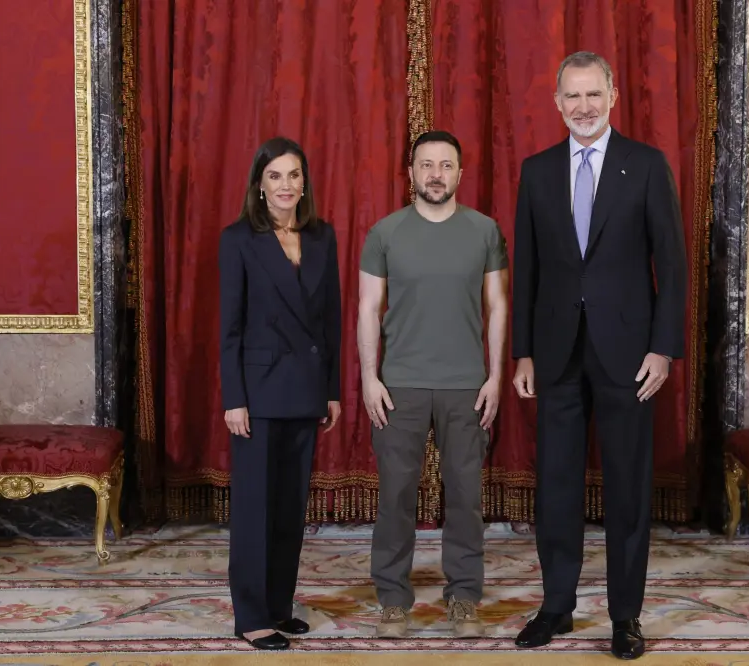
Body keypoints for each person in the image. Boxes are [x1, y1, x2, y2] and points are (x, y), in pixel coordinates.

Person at [510, 52, 687, 660]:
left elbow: (674, 266)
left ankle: (624, 617)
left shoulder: (645, 165)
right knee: (556, 488)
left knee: (627, 493)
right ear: (557, 103)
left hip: (629, 354)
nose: (583, 107)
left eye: (593, 95)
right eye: (572, 97)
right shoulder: (536, 171)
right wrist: (523, 353)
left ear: (612, 95)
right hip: (556, 355)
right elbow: (527, 271)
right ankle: (557, 607)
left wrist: (663, 349)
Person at [357, 130, 509, 639]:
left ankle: (464, 596)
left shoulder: (485, 231)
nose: (436, 174)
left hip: (466, 387)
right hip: (399, 387)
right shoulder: (384, 233)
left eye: (446, 165)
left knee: (465, 495)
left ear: (460, 174)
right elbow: (367, 309)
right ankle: (393, 600)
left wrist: (495, 377)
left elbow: (498, 307)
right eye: (426, 165)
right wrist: (368, 379)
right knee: (396, 494)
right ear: (412, 172)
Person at [218, 136, 342, 651]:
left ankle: (278, 607)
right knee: (255, 507)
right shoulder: (238, 239)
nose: (286, 185)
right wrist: (234, 398)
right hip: (259, 391)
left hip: (307, 388)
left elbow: (330, 320)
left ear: (304, 182)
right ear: (260, 184)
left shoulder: (322, 236)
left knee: (291, 507)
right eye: (275, 176)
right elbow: (230, 325)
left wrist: (332, 390)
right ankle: (251, 615)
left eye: (294, 176)